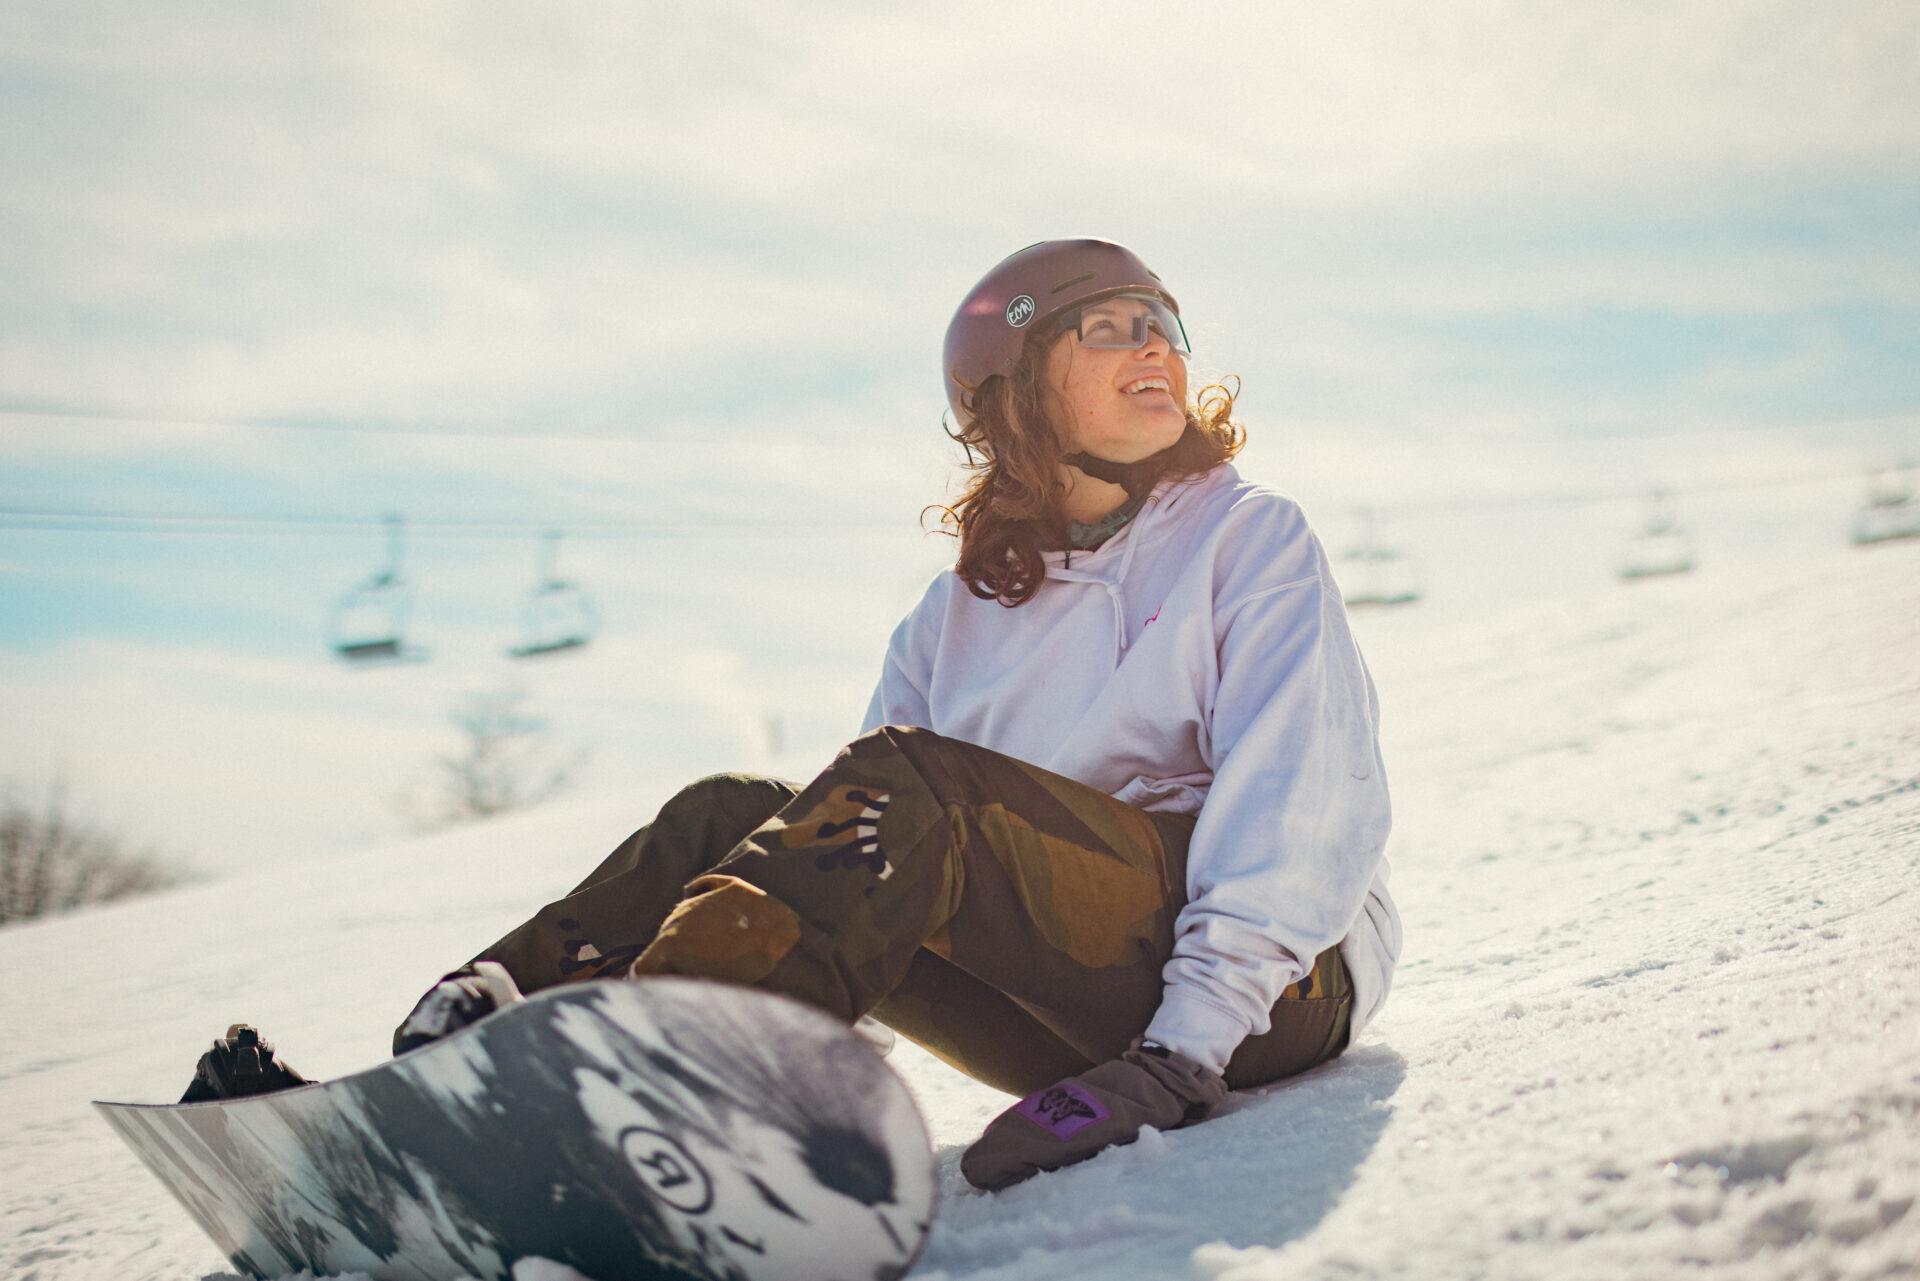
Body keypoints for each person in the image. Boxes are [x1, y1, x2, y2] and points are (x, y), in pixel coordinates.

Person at [188, 239, 1400, 1192]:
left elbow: (1305, 801)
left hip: (1273, 994)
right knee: (738, 813)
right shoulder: (956, 612)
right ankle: (465, 1063)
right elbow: (845, 850)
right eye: (1109, 326)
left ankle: (655, 1097)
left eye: (1164, 325)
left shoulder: (1247, 539)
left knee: (913, 784)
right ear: (1018, 392)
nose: (1156, 348)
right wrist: (823, 1034)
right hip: (1077, 1013)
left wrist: (1186, 1052)